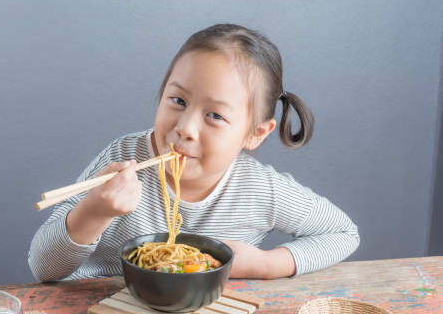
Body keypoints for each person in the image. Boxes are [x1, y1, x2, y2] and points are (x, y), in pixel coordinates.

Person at [28, 24, 359, 281]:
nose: (185, 127)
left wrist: (267, 263)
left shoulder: (259, 188)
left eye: (214, 116)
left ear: (255, 134)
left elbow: (343, 233)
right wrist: (94, 212)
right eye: (178, 101)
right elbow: (43, 267)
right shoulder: (126, 157)